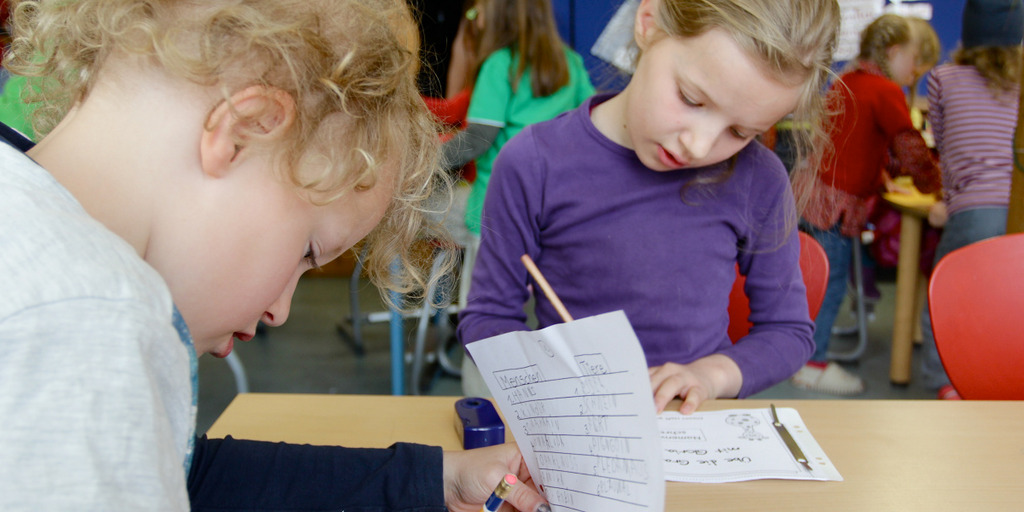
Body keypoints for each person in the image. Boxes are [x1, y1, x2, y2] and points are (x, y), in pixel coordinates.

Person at [0, 1, 550, 511]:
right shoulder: (80, 316)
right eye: (307, 251)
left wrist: (433, 479)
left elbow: (178, 471)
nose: (279, 311)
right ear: (244, 131)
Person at [458, 0, 841, 414]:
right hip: (577, 419)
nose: (698, 145)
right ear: (648, 23)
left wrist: (711, 376)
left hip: (694, 429)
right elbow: (487, 319)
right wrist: (545, 376)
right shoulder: (533, 162)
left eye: (740, 131)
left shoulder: (760, 179)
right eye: (692, 99)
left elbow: (788, 333)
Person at [794, 13, 942, 395]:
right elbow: (908, 144)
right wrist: (936, 185)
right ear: (894, 53)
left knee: (817, 279)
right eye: (915, 62)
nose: (917, 73)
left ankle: (806, 351)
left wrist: (883, 172)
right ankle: (812, 363)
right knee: (833, 284)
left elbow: (860, 141)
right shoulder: (884, 90)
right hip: (836, 204)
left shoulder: (849, 80)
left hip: (813, 195)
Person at [918, 0, 1022, 400]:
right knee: (1010, 300)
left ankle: (947, 385)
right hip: (1018, 208)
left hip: (973, 210)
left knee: (949, 298)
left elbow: (942, 146)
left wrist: (951, 197)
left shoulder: (944, 76)